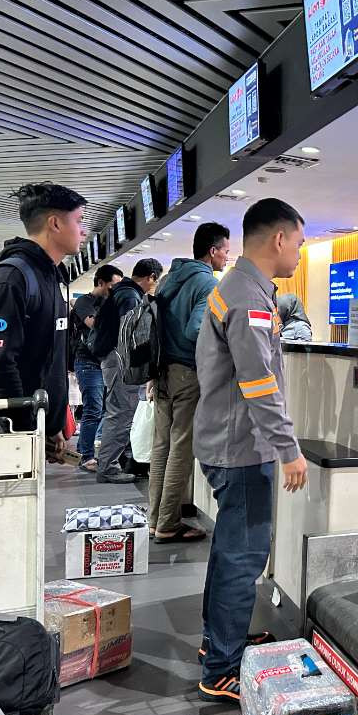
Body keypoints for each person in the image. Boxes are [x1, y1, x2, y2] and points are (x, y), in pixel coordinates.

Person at [193, 198, 308, 704]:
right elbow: (259, 384)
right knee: (243, 556)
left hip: (226, 440)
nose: (301, 254)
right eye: (300, 244)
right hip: (241, 447)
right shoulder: (249, 299)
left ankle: (220, 642)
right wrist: (289, 450)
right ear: (279, 239)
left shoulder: (239, 287)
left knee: (228, 550)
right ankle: (221, 667)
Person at [0, 183, 87, 462]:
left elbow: (48, 359)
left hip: (36, 430)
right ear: (55, 223)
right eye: (79, 221)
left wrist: (54, 423)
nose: (83, 231)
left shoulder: (51, 277)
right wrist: (25, 428)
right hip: (9, 435)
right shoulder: (12, 278)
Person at [148, 222, 230, 543]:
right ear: (212, 251)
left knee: (161, 447)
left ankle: (155, 519)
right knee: (181, 448)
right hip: (187, 373)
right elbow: (197, 330)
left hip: (162, 371)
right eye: (225, 249)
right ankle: (168, 523)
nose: (227, 255)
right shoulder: (207, 283)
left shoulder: (169, 279)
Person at [93, 258, 162, 484]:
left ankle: (111, 462)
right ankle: (108, 467)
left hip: (111, 358)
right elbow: (131, 334)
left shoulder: (121, 291)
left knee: (118, 411)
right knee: (121, 413)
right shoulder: (130, 296)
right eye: (155, 280)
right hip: (120, 361)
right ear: (150, 277)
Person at [70, 264, 124, 473]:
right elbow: (94, 324)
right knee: (93, 408)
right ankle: (86, 456)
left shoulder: (110, 302)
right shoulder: (85, 302)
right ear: (101, 283)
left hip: (106, 362)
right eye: (113, 286)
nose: (115, 291)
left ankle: (90, 446)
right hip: (88, 362)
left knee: (104, 409)